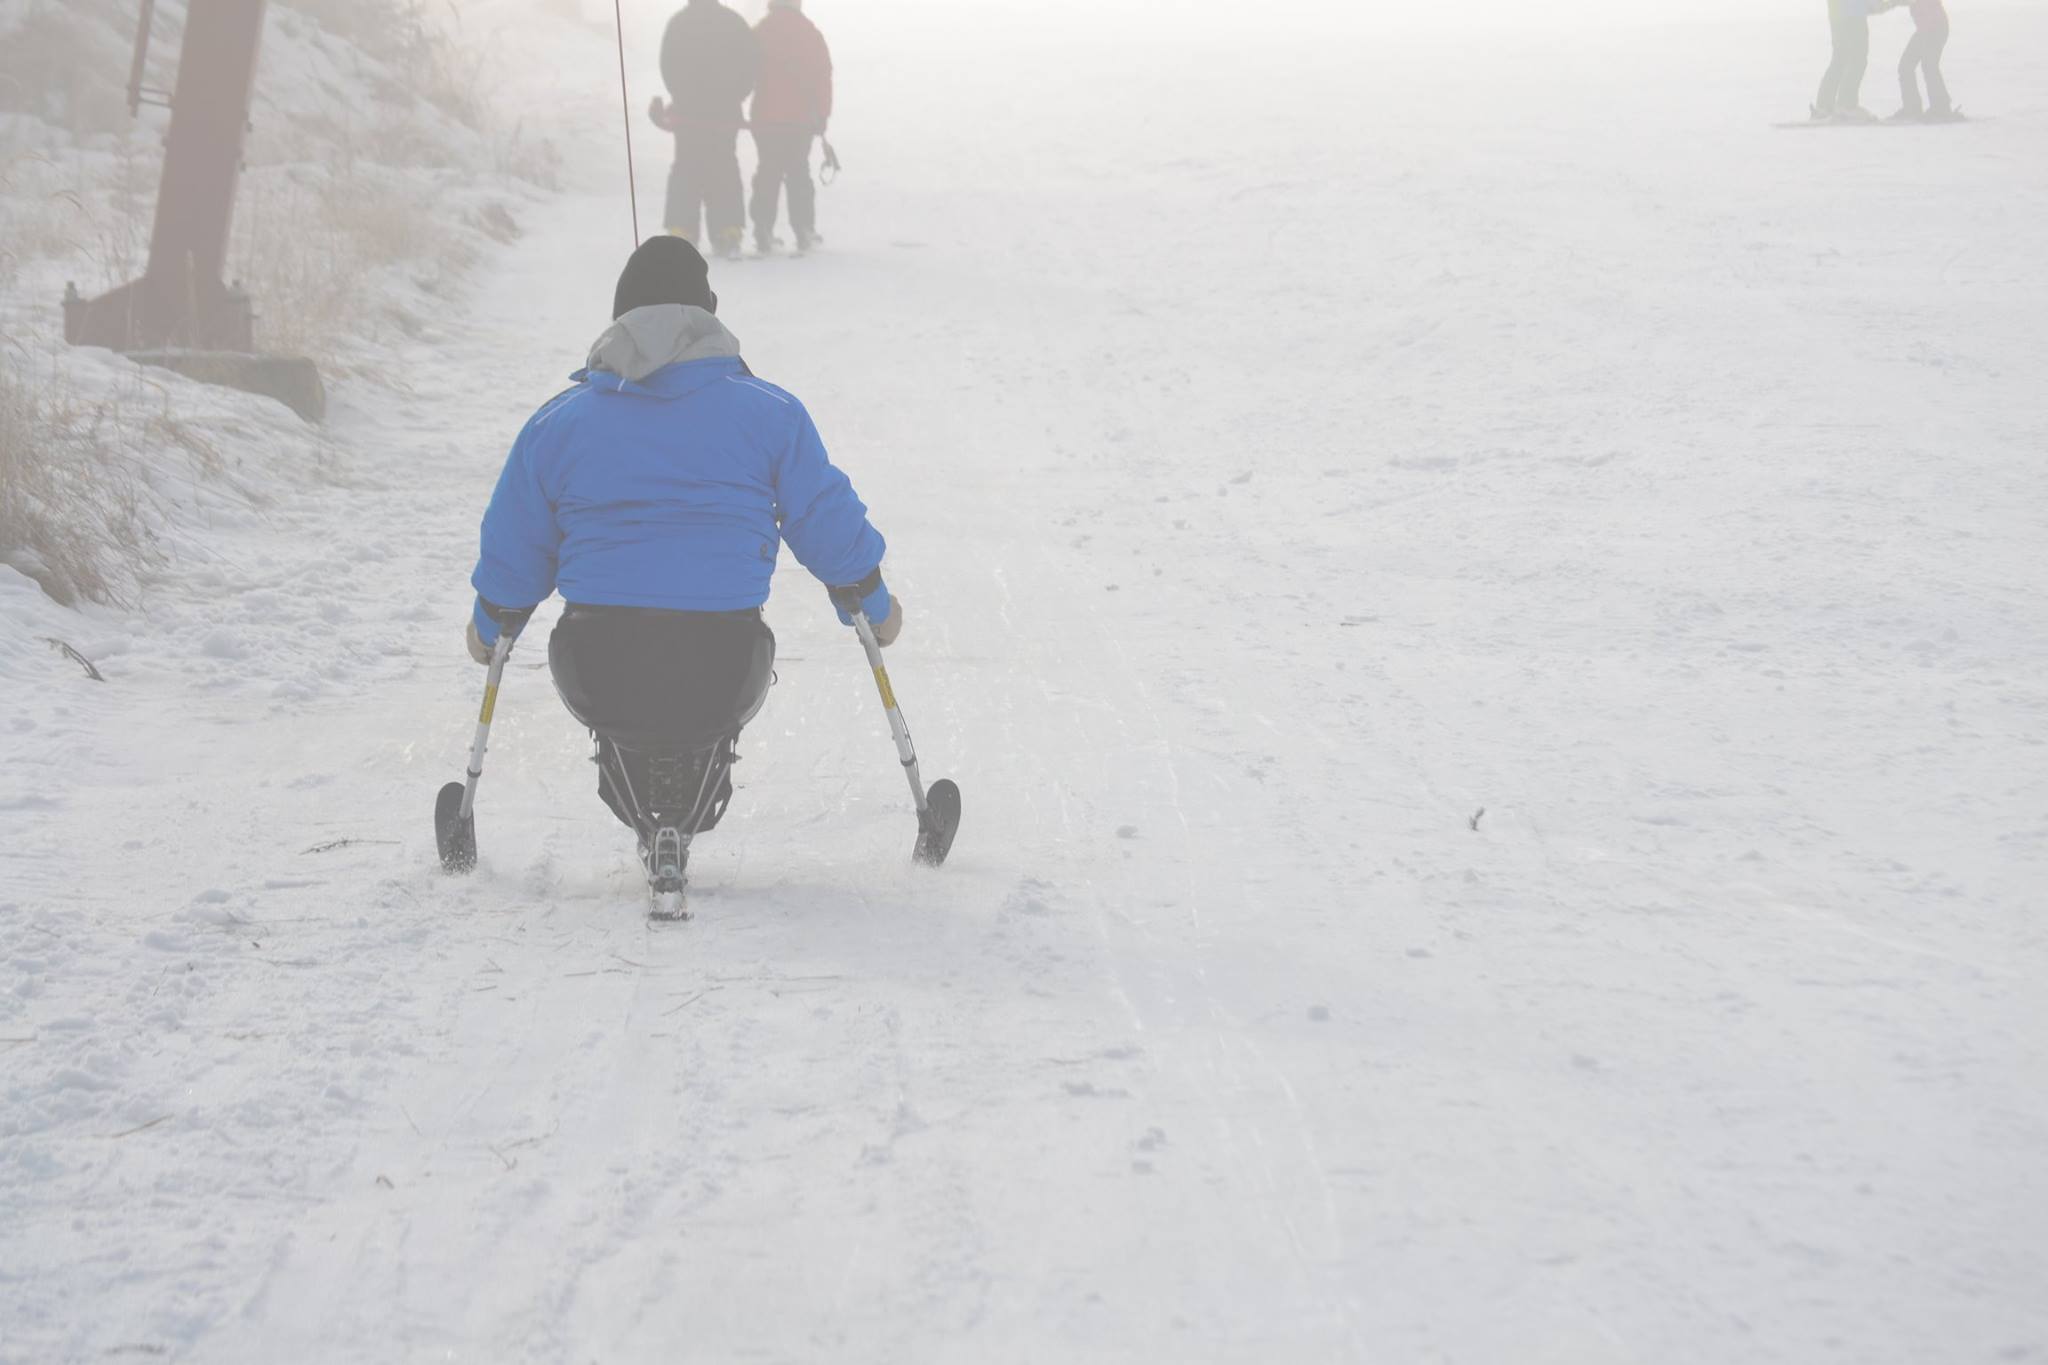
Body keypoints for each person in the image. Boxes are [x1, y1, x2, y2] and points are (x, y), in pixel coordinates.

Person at [463, 236, 904, 909]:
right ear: (708, 316)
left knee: (619, 672)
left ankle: (647, 803)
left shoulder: (559, 423)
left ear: (618, 319)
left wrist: (491, 622)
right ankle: (685, 799)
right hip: (725, 663)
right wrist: (871, 602)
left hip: (596, 664)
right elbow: (825, 520)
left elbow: (516, 548)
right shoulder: (770, 413)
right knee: (707, 668)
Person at [652, 0, 757, 257]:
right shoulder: (734, 22)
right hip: (724, 112)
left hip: (688, 112)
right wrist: (736, 95)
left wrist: (681, 93)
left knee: (686, 166)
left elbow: (667, 64)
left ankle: (681, 230)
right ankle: (728, 230)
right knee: (724, 167)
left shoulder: (679, 23)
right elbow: (751, 64)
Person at [749, 0, 834, 254]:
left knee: (767, 171)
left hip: (765, 116)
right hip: (800, 119)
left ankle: (763, 227)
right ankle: (804, 229)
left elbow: (744, 72)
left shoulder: (760, 32)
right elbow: (823, 76)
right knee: (798, 172)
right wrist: (822, 114)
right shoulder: (810, 33)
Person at [1814, 0, 1908, 121]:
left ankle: (1824, 105)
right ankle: (1847, 104)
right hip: (1853, 16)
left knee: (1839, 59)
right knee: (1857, 60)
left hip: (1837, 15)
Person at [1894, 0, 1954, 120]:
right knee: (1907, 66)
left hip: (1934, 27)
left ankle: (1940, 107)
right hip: (1927, 28)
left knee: (1927, 65)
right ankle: (1913, 108)